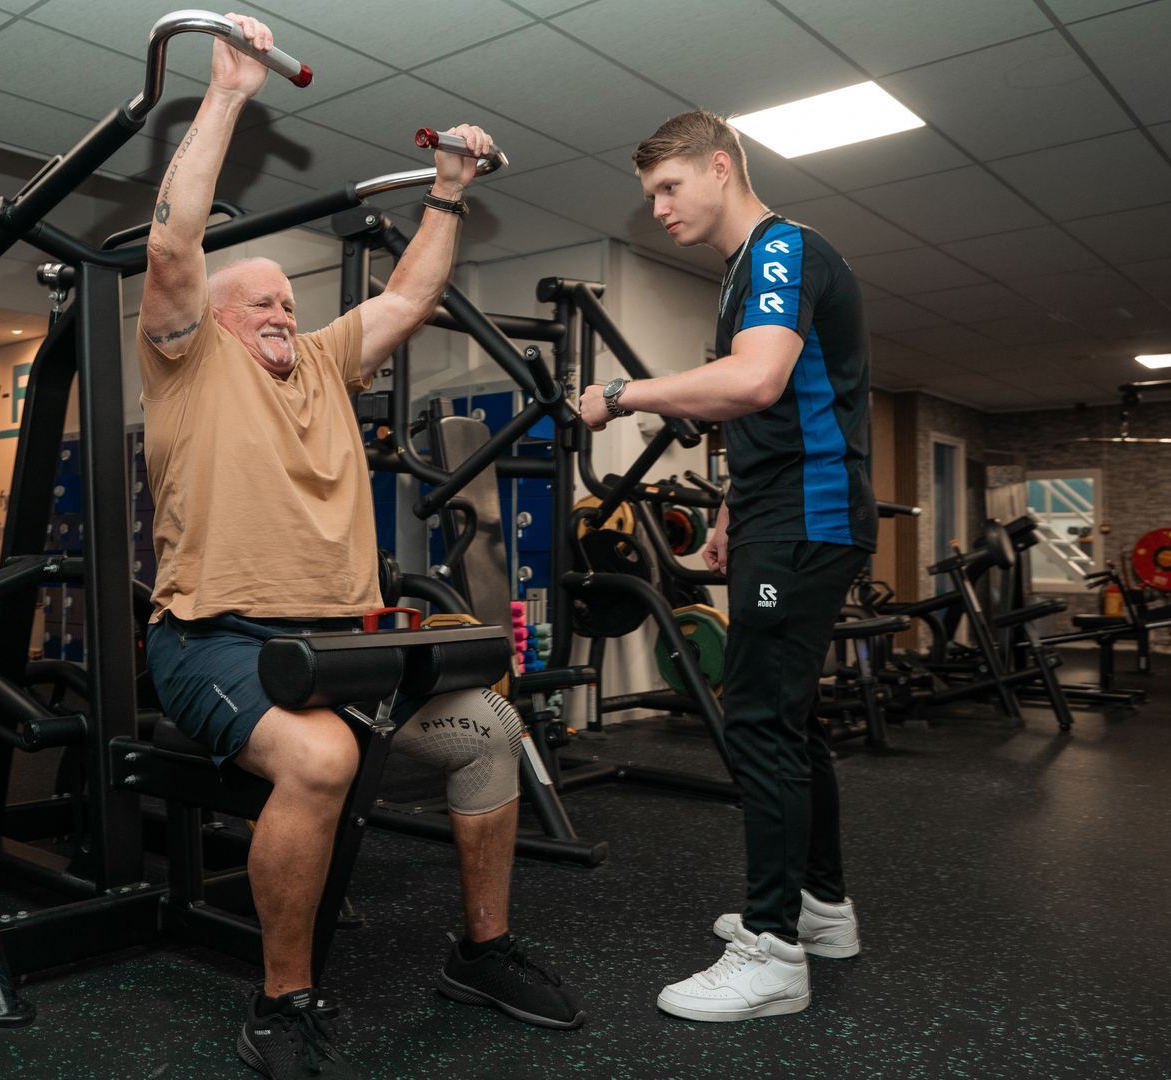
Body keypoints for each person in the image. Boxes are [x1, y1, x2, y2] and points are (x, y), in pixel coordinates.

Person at [136, 14, 585, 1078]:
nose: (284, 313)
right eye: (261, 303)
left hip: (342, 643)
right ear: (215, 317)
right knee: (325, 755)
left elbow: (413, 296)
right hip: (215, 640)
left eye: (291, 300)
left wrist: (446, 193)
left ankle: (480, 951)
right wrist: (231, 92)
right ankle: (283, 1003)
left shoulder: (326, 367)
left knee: (486, 729)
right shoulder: (188, 363)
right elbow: (168, 246)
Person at [578, 110, 875, 1022]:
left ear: (719, 166)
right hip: (782, 517)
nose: (660, 207)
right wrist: (735, 517)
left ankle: (774, 952)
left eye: (670, 187)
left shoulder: (782, 252)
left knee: (755, 722)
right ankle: (821, 911)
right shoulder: (743, 274)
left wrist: (620, 395)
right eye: (650, 195)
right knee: (787, 718)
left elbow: (753, 384)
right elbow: (765, 416)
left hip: (810, 518)